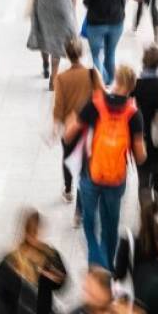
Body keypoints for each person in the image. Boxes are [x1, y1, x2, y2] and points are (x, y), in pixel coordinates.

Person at [64, 65, 146, 270]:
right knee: (111, 227)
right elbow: (141, 156)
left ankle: (95, 261)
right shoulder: (133, 113)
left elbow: (69, 135)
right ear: (131, 87)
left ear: (115, 81)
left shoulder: (95, 104)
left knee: (90, 223)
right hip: (116, 179)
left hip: (91, 174)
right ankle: (107, 267)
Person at [53, 38, 103, 209]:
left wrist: (56, 125)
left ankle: (68, 190)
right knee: (85, 165)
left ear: (67, 55)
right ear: (82, 54)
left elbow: (58, 107)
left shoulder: (61, 78)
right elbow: (102, 97)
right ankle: (81, 206)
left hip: (69, 128)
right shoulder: (92, 73)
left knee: (67, 157)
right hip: (89, 127)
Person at [0, 209, 67, 314]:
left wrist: (57, 277)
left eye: (40, 232)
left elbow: (60, 285)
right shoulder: (11, 261)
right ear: (26, 233)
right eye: (35, 233)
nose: (39, 237)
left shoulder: (50, 255)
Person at [131, 45, 158, 204]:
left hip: (140, 137)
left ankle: (145, 212)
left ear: (143, 63)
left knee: (143, 174)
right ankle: (155, 201)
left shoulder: (135, 85)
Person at [84, 0, 129, 85]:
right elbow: (125, 0)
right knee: (110, 53)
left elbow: (86, 1)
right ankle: (109, 82)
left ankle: (101, 83)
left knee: (96, 55)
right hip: (117, 23)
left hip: (96, 24)